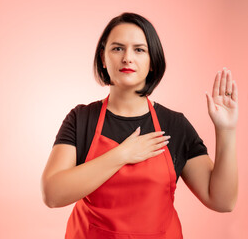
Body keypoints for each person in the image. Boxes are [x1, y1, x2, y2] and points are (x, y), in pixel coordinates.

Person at [41, 12, 238, 238]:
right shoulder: (81, 119)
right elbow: (53, 194)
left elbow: (222, 201)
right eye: (117, 48)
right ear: (103, 59)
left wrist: (226, 130)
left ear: (153, 61)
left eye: (139, 49)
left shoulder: (174, 125)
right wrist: (122, 154)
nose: (127, 57)